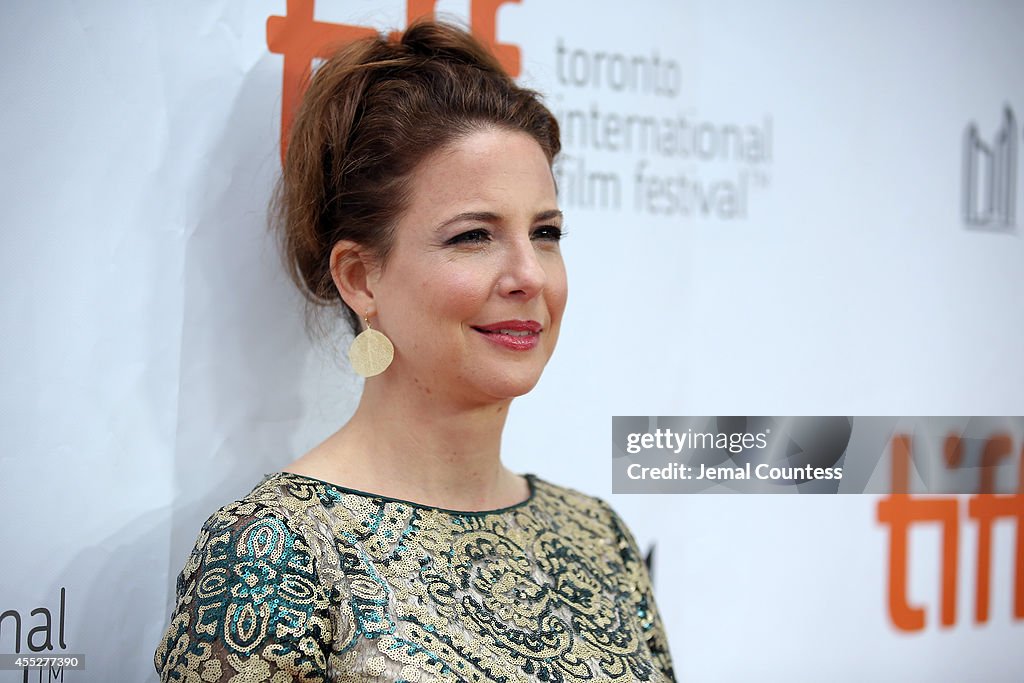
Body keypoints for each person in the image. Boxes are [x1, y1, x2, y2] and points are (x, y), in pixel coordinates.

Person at [154, 20, 674, 682]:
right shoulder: (278, 552)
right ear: (360, 278)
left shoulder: (600, 538)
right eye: (473, 237)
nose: (530, 275)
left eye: (545, 232)